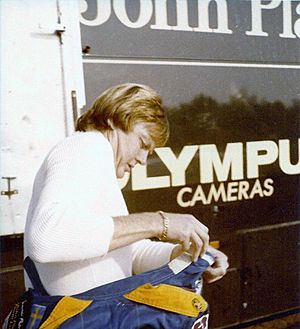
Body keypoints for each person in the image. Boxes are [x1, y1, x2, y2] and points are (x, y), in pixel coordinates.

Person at [24, 83, 228, 295]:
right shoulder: (86, 147)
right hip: (78, 323)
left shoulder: (96, 158)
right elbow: (47, 239)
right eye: (142, 143)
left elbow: (128, 253)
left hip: (86, 323)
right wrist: (161, 223)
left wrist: (185, 254)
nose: (142, 160)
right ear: (113, 119)